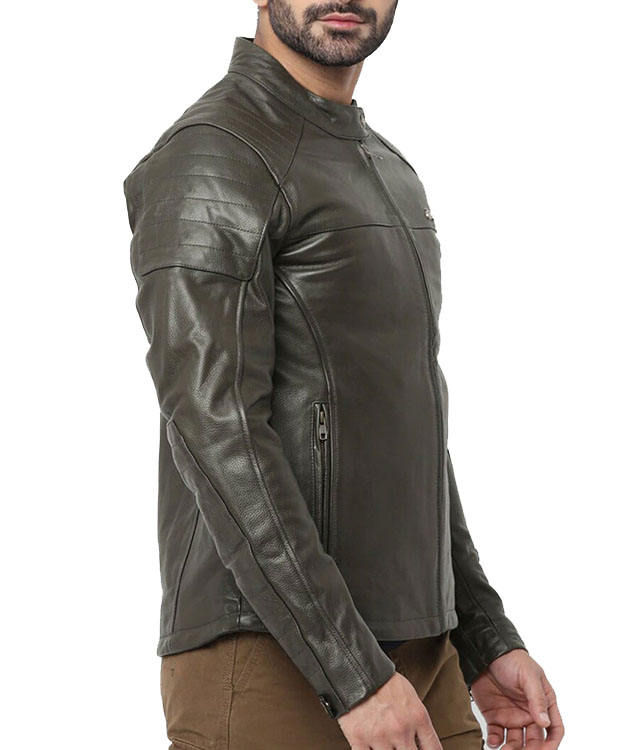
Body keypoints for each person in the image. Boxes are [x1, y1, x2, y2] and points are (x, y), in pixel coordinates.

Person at [122, 2, 564, 748]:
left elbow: (409, 429)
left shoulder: (388, 170)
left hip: (421, 654)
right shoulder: (213, 155)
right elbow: (215, 431)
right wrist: (351, 671)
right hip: (273, 656)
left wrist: (484, 636)